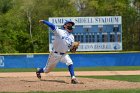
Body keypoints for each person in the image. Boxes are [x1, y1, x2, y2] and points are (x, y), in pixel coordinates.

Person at [36, 19, 80, 84]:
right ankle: (38, 71)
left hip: (64, 54)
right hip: (55, 54)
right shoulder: (59, 31)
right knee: (46, 70)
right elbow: (52, 26)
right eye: (69, 24)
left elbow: (70, 48)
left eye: (71, 24)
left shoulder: (72, 37)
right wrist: (44, 21)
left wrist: (73, 48)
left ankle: (73, 78)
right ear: (65, 26)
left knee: (70, 62)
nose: (70, 25)